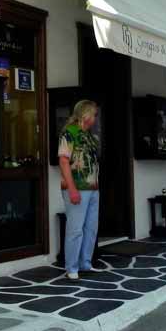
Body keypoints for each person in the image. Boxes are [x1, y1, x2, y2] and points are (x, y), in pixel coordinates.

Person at [58, 100, 100, 280]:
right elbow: (63, 160)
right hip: (77, 188)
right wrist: (72, 189)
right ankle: (72, 267)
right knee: (75, 229)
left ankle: (85, 262)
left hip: (92, 188)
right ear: (86, 114)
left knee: (90, 228)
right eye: (94, 114)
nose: (95, 118)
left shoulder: (89, 135)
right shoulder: (69, 133)